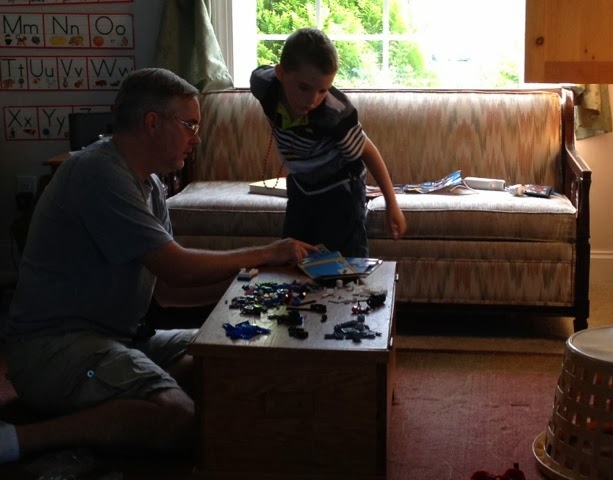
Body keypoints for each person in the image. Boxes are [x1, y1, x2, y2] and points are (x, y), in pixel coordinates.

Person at [0, 67, 314, 464]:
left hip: (119, 339)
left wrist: (254, 283)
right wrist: (267, 254)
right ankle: (22, 439)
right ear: (152, 123)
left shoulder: (149, 185)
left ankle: (114, 414)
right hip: (54, 350)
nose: (196, 138)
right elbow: (176, 267)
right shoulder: (97, 172)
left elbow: (166, 291)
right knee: (179, 418)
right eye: (189, 125)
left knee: (229, 359)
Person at [250, 27, 407, 258]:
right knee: (293, 255)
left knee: (343, 262)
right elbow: (261, 73)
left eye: (323, 90)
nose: (312, 100)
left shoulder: (335, 114)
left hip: (341, 187)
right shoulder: (263, 85)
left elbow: (368, 151)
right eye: (304, 87)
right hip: (301, 184)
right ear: (281, 74)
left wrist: (392, 205)